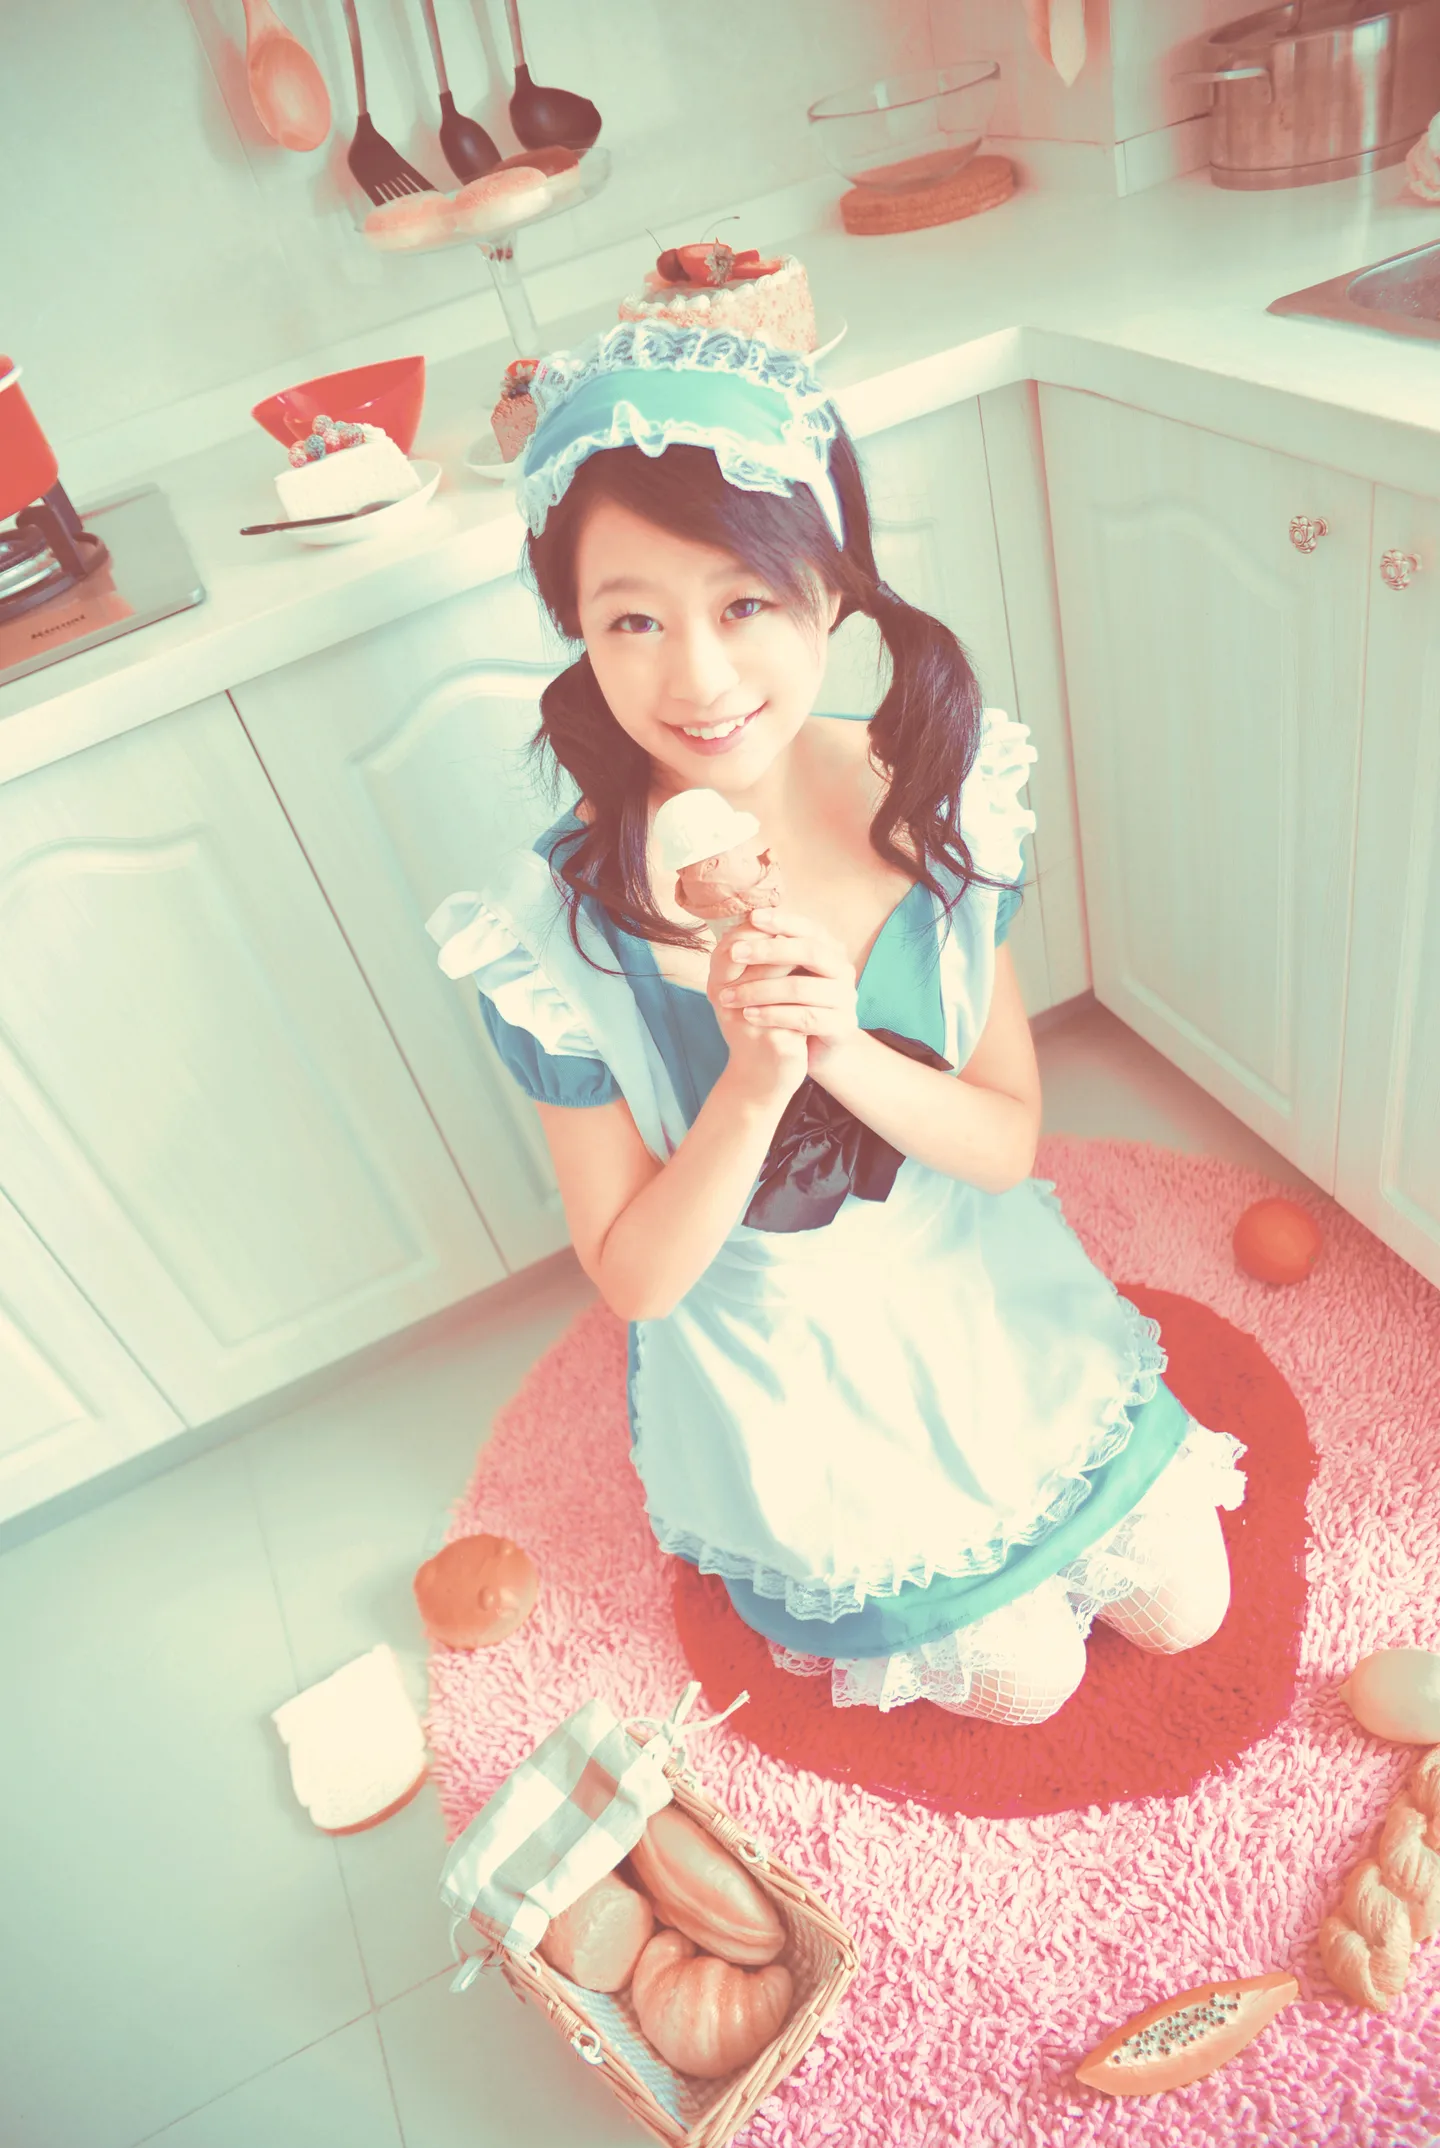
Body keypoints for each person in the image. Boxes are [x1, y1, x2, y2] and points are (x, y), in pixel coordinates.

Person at [427, 321, 1246, 1723]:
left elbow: (1002, 1146)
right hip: (777, 1341)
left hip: (969, 1273)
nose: (698, 678)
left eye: (745, 600)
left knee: (1187, 1608)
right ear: (578, 630)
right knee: (1030, 1681)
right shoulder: (553, 934)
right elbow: (637, 1279)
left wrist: (842, 1046)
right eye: (633, 620)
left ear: (831, 585)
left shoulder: (934, 788)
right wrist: (751, 1085)